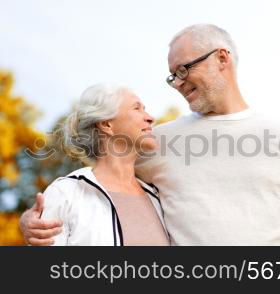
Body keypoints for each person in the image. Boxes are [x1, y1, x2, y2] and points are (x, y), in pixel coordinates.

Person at [20, 24, 280, 245]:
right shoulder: (157, 141)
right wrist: (33, 222)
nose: (179, 83)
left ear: (222, 59)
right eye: (173, 76)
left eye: (184, 70)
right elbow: (100, 182)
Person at [20, 84, 169, 246]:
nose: (150, 118)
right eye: (137, 108)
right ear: (106, 125)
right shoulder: (66, 193)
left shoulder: (158, 198)